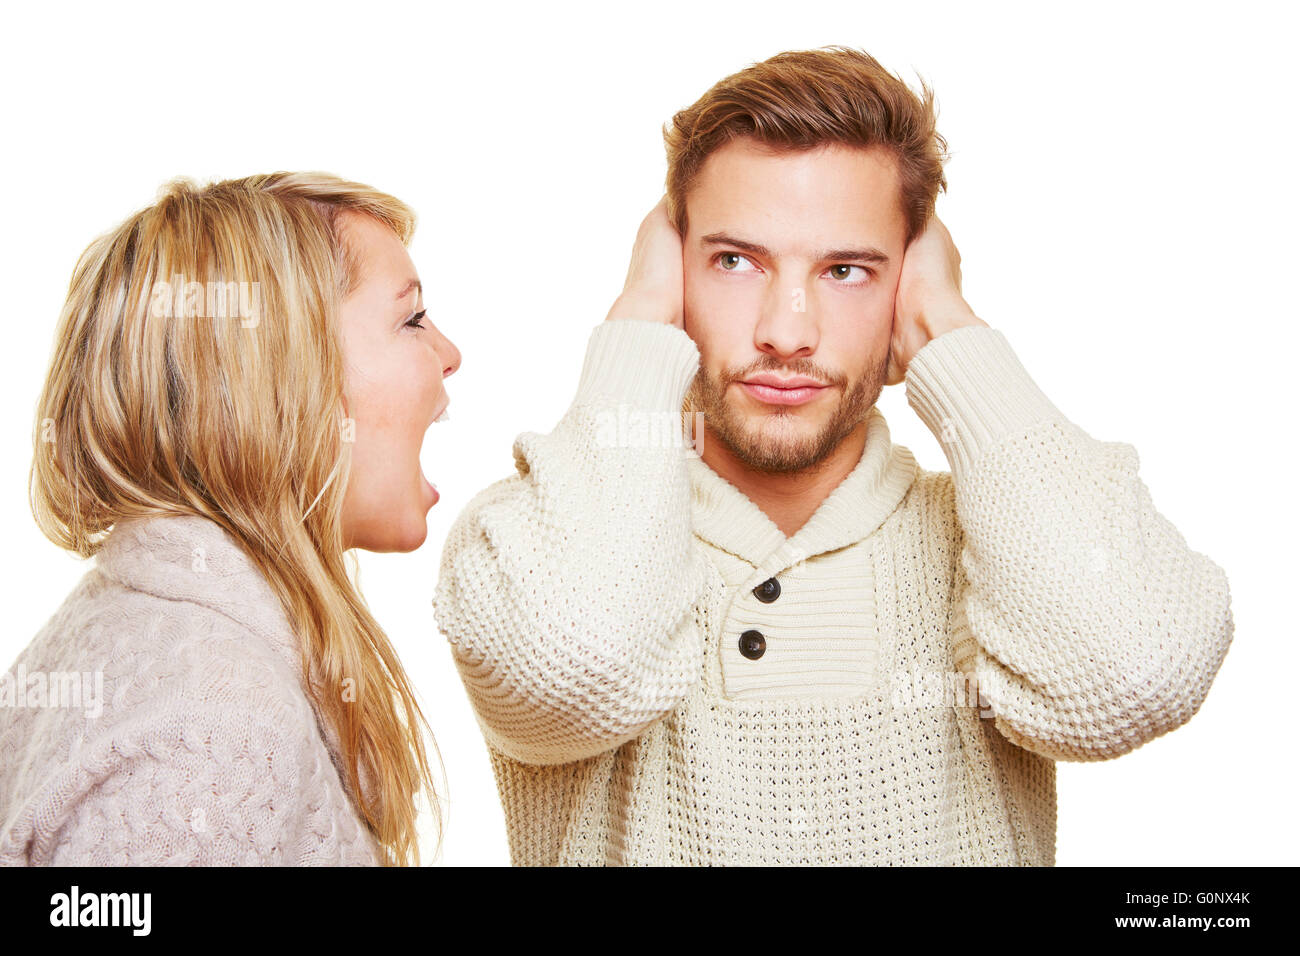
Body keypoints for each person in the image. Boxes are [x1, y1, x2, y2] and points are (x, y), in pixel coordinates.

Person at [433, 46, 1234, 865]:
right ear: (674, 273)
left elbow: (1137, 674)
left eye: (846, 270)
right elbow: (574, 668)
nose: (787, 330)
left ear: (906, 288)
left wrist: (949, 333)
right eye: (735, 262)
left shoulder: (999, 545)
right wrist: (639, 320)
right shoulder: (533, 537)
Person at [0, 172, 461, 865]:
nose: (449, 354)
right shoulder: (215, 734)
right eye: (411, 319)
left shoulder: (132, 627)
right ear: (282, 377)